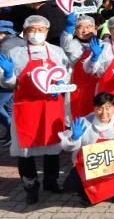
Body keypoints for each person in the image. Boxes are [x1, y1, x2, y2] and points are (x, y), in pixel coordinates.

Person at [0, 15, 69, 203]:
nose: (36, 33)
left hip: (51, 105)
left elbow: (66, 74)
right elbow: (8, 83)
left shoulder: (57, 52)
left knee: (52, 144)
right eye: (32, 30)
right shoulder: (15, 53)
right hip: (26, 106)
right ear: (25, 31)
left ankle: (51, 181)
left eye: (40, 30)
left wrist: (61, 85)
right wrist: (8, 74)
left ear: (47, 31)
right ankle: (30, 185)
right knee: (25, 147)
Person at [60, 92, 114, 206]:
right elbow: (66, 147)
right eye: (100, 108)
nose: (104, 112)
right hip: (90, 167)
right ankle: (87, 194)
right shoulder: (83, 122)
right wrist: (74, 138)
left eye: (108, 108)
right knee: (71, 185)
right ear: (94, 108)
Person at [60, 14, 99, 119]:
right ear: (75, 30)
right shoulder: (72, 44)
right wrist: (68, 29)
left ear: (95, 28)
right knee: (77, 114)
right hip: (77, 86)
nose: (85, 30)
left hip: (96, 85)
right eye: (80, 27)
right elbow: (65, 44)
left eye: (88, 27)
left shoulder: (100, 44)